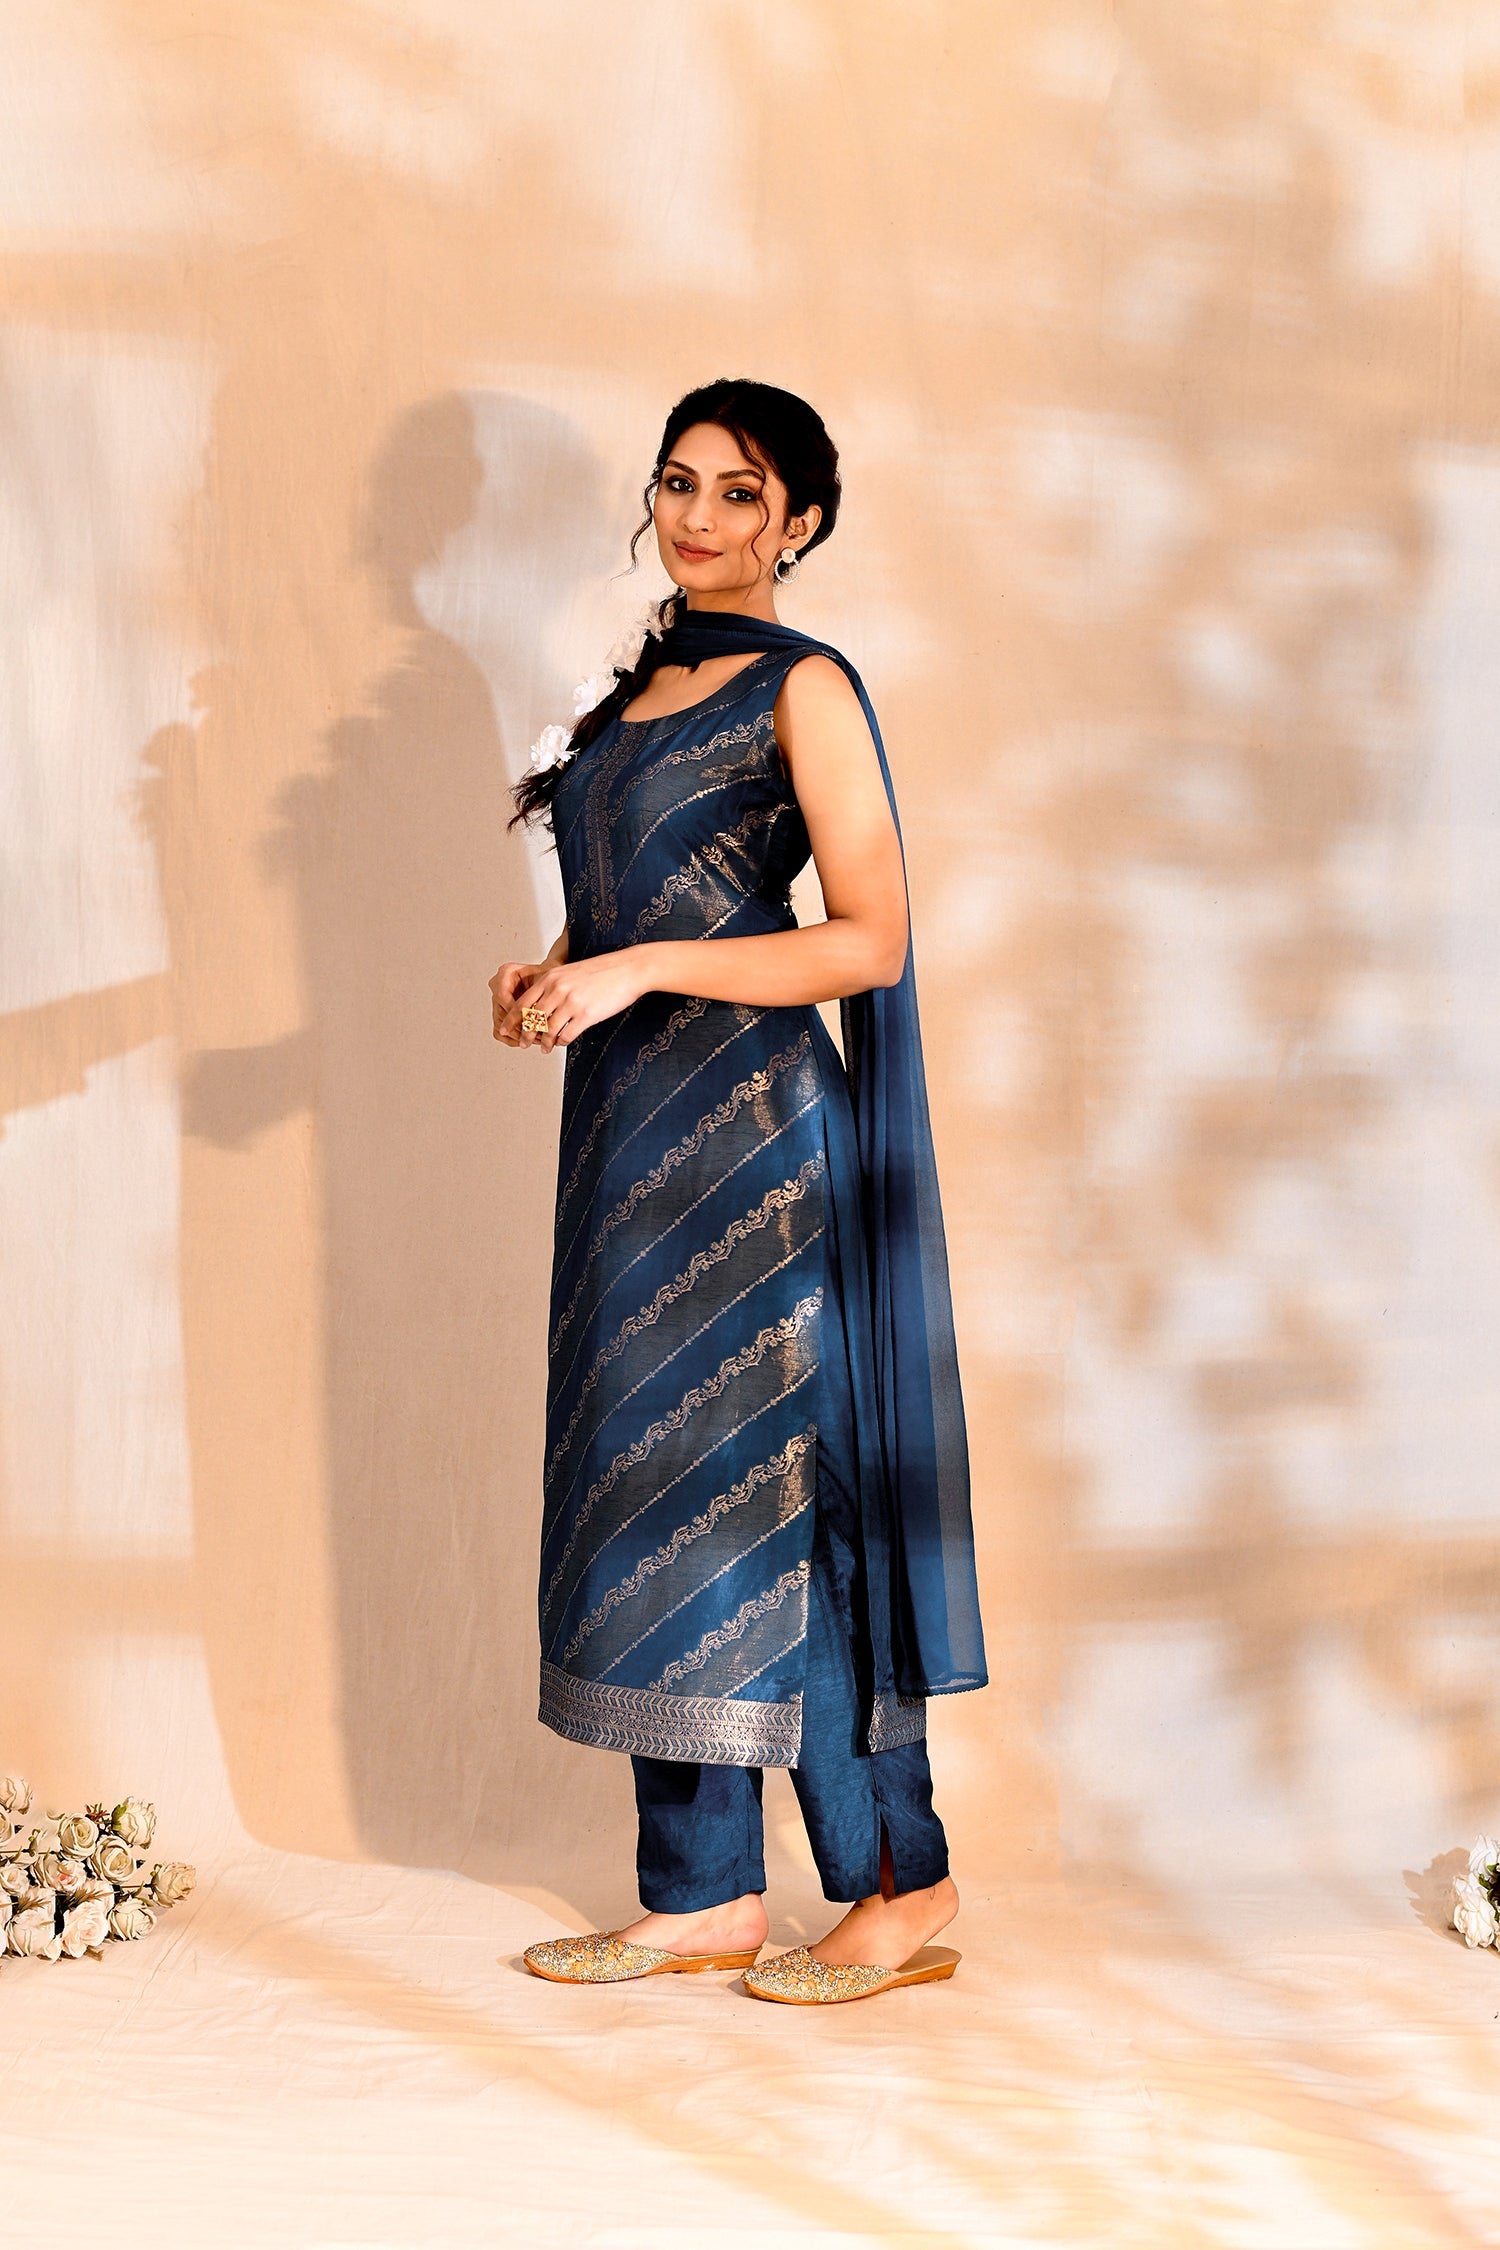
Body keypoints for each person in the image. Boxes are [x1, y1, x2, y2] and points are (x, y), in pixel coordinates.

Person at [491, 379, 986, 2005]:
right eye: (677, 482)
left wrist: (636, 967)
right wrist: (559, 970)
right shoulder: (639, 688)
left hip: (761, 1145)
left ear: (801, 522)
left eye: (739, 491)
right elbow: (644, 900)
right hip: (631, 1140)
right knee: (657, 1492)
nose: (696, 517)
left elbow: (870, 938)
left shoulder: (806, 686)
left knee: (793, 1501)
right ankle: (702, 1894)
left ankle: (900, 1879)